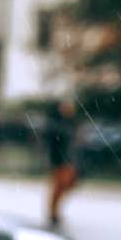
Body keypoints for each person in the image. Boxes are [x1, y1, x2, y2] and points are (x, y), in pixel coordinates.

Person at [45, 96, 81, 227]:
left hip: (69, 160)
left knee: (67, 185)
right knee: (59, 186)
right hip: (60, 160)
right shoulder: (57, 124)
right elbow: (54, 143)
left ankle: (54, 211)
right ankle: (53, 212)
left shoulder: (72, 123)